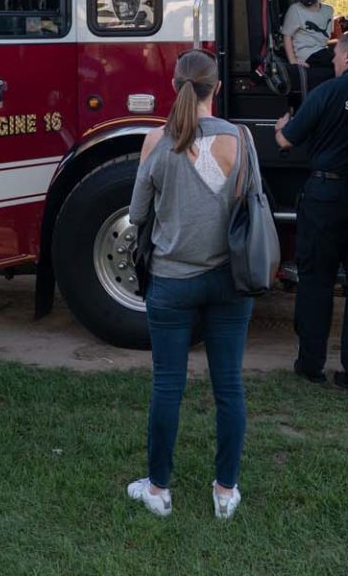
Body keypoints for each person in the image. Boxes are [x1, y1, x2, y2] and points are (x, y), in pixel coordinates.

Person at [126, 48, 252, 519]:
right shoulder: (240, 139)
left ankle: (158, 489)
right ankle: (225, 491)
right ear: (216, 88)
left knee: (167, 386)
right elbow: (249, 203)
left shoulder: (155, 141)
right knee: (229, 386)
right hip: (229, 280)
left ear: (174, 86)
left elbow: (137, 214)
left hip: (171, 281)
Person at [274, 31, 348, 399]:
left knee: (316, 280)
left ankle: (311, 365)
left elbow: (287, 139)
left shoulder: (326, 92)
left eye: (336, 55)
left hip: (324, 195)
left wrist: (280, 127)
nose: (333, 62)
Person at [282, 0, 336, 86]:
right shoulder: (295, 10)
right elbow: (287, 36)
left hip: (321, 51)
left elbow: (325, 38)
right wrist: (293, 62)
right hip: (306, 54)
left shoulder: (328, 11)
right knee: (337, 61)